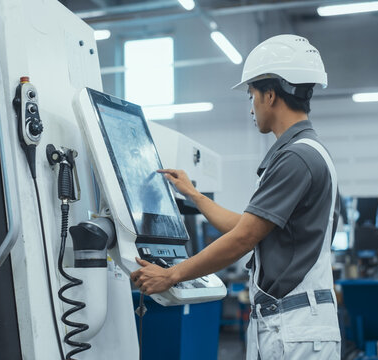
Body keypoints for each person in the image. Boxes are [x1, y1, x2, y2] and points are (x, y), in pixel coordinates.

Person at [130, 34, 341, 359]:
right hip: (291, 325)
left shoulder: (296, 159)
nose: (252, 106)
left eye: (251, 94)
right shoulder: (306, 152)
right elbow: (246, 225)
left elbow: (244, 237)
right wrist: (193, 195)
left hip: (294, 328)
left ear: (270, 96)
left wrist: (171, 275)